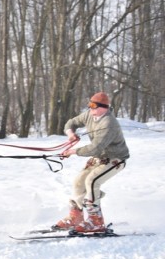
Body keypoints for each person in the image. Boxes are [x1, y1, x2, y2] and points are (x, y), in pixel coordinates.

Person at [54, 92, 130, 233]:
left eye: (93, 105)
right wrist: (71, 134)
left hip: (115, 159)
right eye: (89, 104)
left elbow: (95, 147)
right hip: (99, 157)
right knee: (78, 182)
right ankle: (76, 217)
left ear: (104, 107)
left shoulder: (108, 123)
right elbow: (71, 122)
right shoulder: (90, 114)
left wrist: (72, 151)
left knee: (92, 181)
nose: (90, 108)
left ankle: (96, 221)